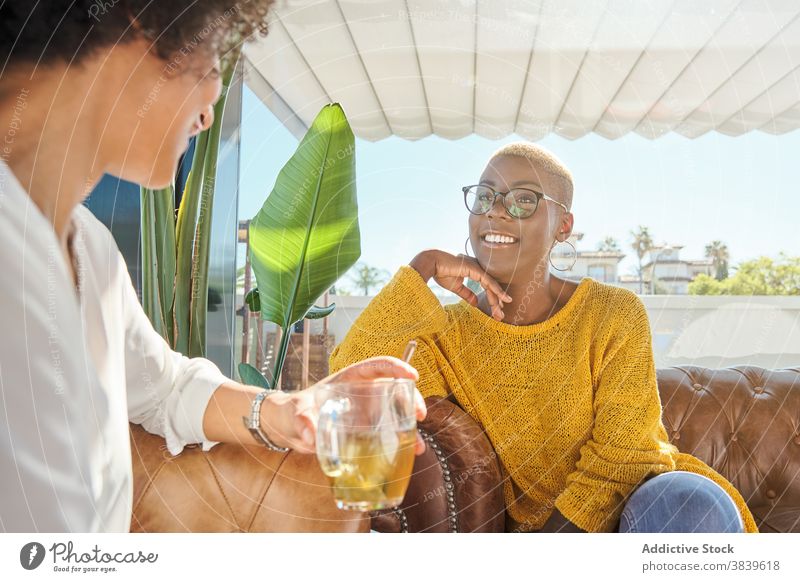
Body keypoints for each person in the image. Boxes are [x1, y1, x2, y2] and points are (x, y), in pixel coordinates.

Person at [0, 1, 425, 532]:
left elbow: (162, 388)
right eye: (209, 63)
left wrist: (287, 409)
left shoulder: (92, 250)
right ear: (135, 32)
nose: (209, 109)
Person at [330, 142, 758, 533]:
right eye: (485, 196)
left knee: (689, 506)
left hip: (643, 506)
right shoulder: (447, 334)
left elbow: (623, 457)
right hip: (533, 535)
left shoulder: (613, 313)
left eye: (523, 200)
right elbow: (354, 375)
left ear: (563, 226)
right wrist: (421, 267)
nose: (496, 211)